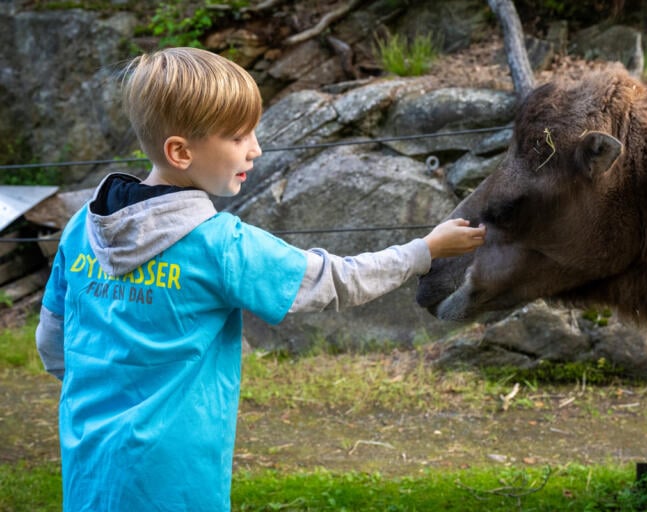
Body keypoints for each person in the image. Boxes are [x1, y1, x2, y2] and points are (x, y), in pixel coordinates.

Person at [35, 46, 485, 512]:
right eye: (237, 136)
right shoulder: (219, 245)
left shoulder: (80, 231)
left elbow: (52, 342)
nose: (256, 148)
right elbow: (333, 281)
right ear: (180, 151)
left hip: (90, 467)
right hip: (177, 480)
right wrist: (423, 251)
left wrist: (106, 402)